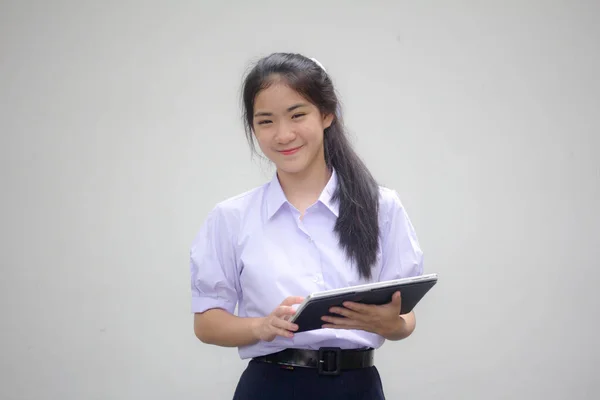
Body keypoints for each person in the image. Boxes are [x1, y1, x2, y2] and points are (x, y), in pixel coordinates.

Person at [189, 52, 424, 399]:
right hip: (270, 387)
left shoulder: (381, 207)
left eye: (297, 115)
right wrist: (261, 326)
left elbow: (405, 319)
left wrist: (391, 324)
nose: (283, 135)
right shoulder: (231, 217)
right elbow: (206, 322)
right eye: (265, 121)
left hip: (356, 388)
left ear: (327, 114)